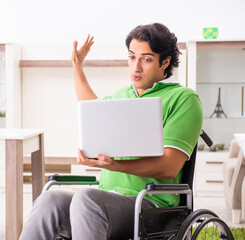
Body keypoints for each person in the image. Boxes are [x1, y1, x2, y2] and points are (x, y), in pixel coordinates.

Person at [20, 23, 203, 240]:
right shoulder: (122, 94)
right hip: (107, 199)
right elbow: (91, 107)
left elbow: (169, 166)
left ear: (165, 62)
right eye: (131, 57)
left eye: (146, 59)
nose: (136, 67)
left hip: (151, 204)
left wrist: (115, 165)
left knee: (87, 199)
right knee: (48, 200)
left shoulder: (184, 99)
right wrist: (76, 65)